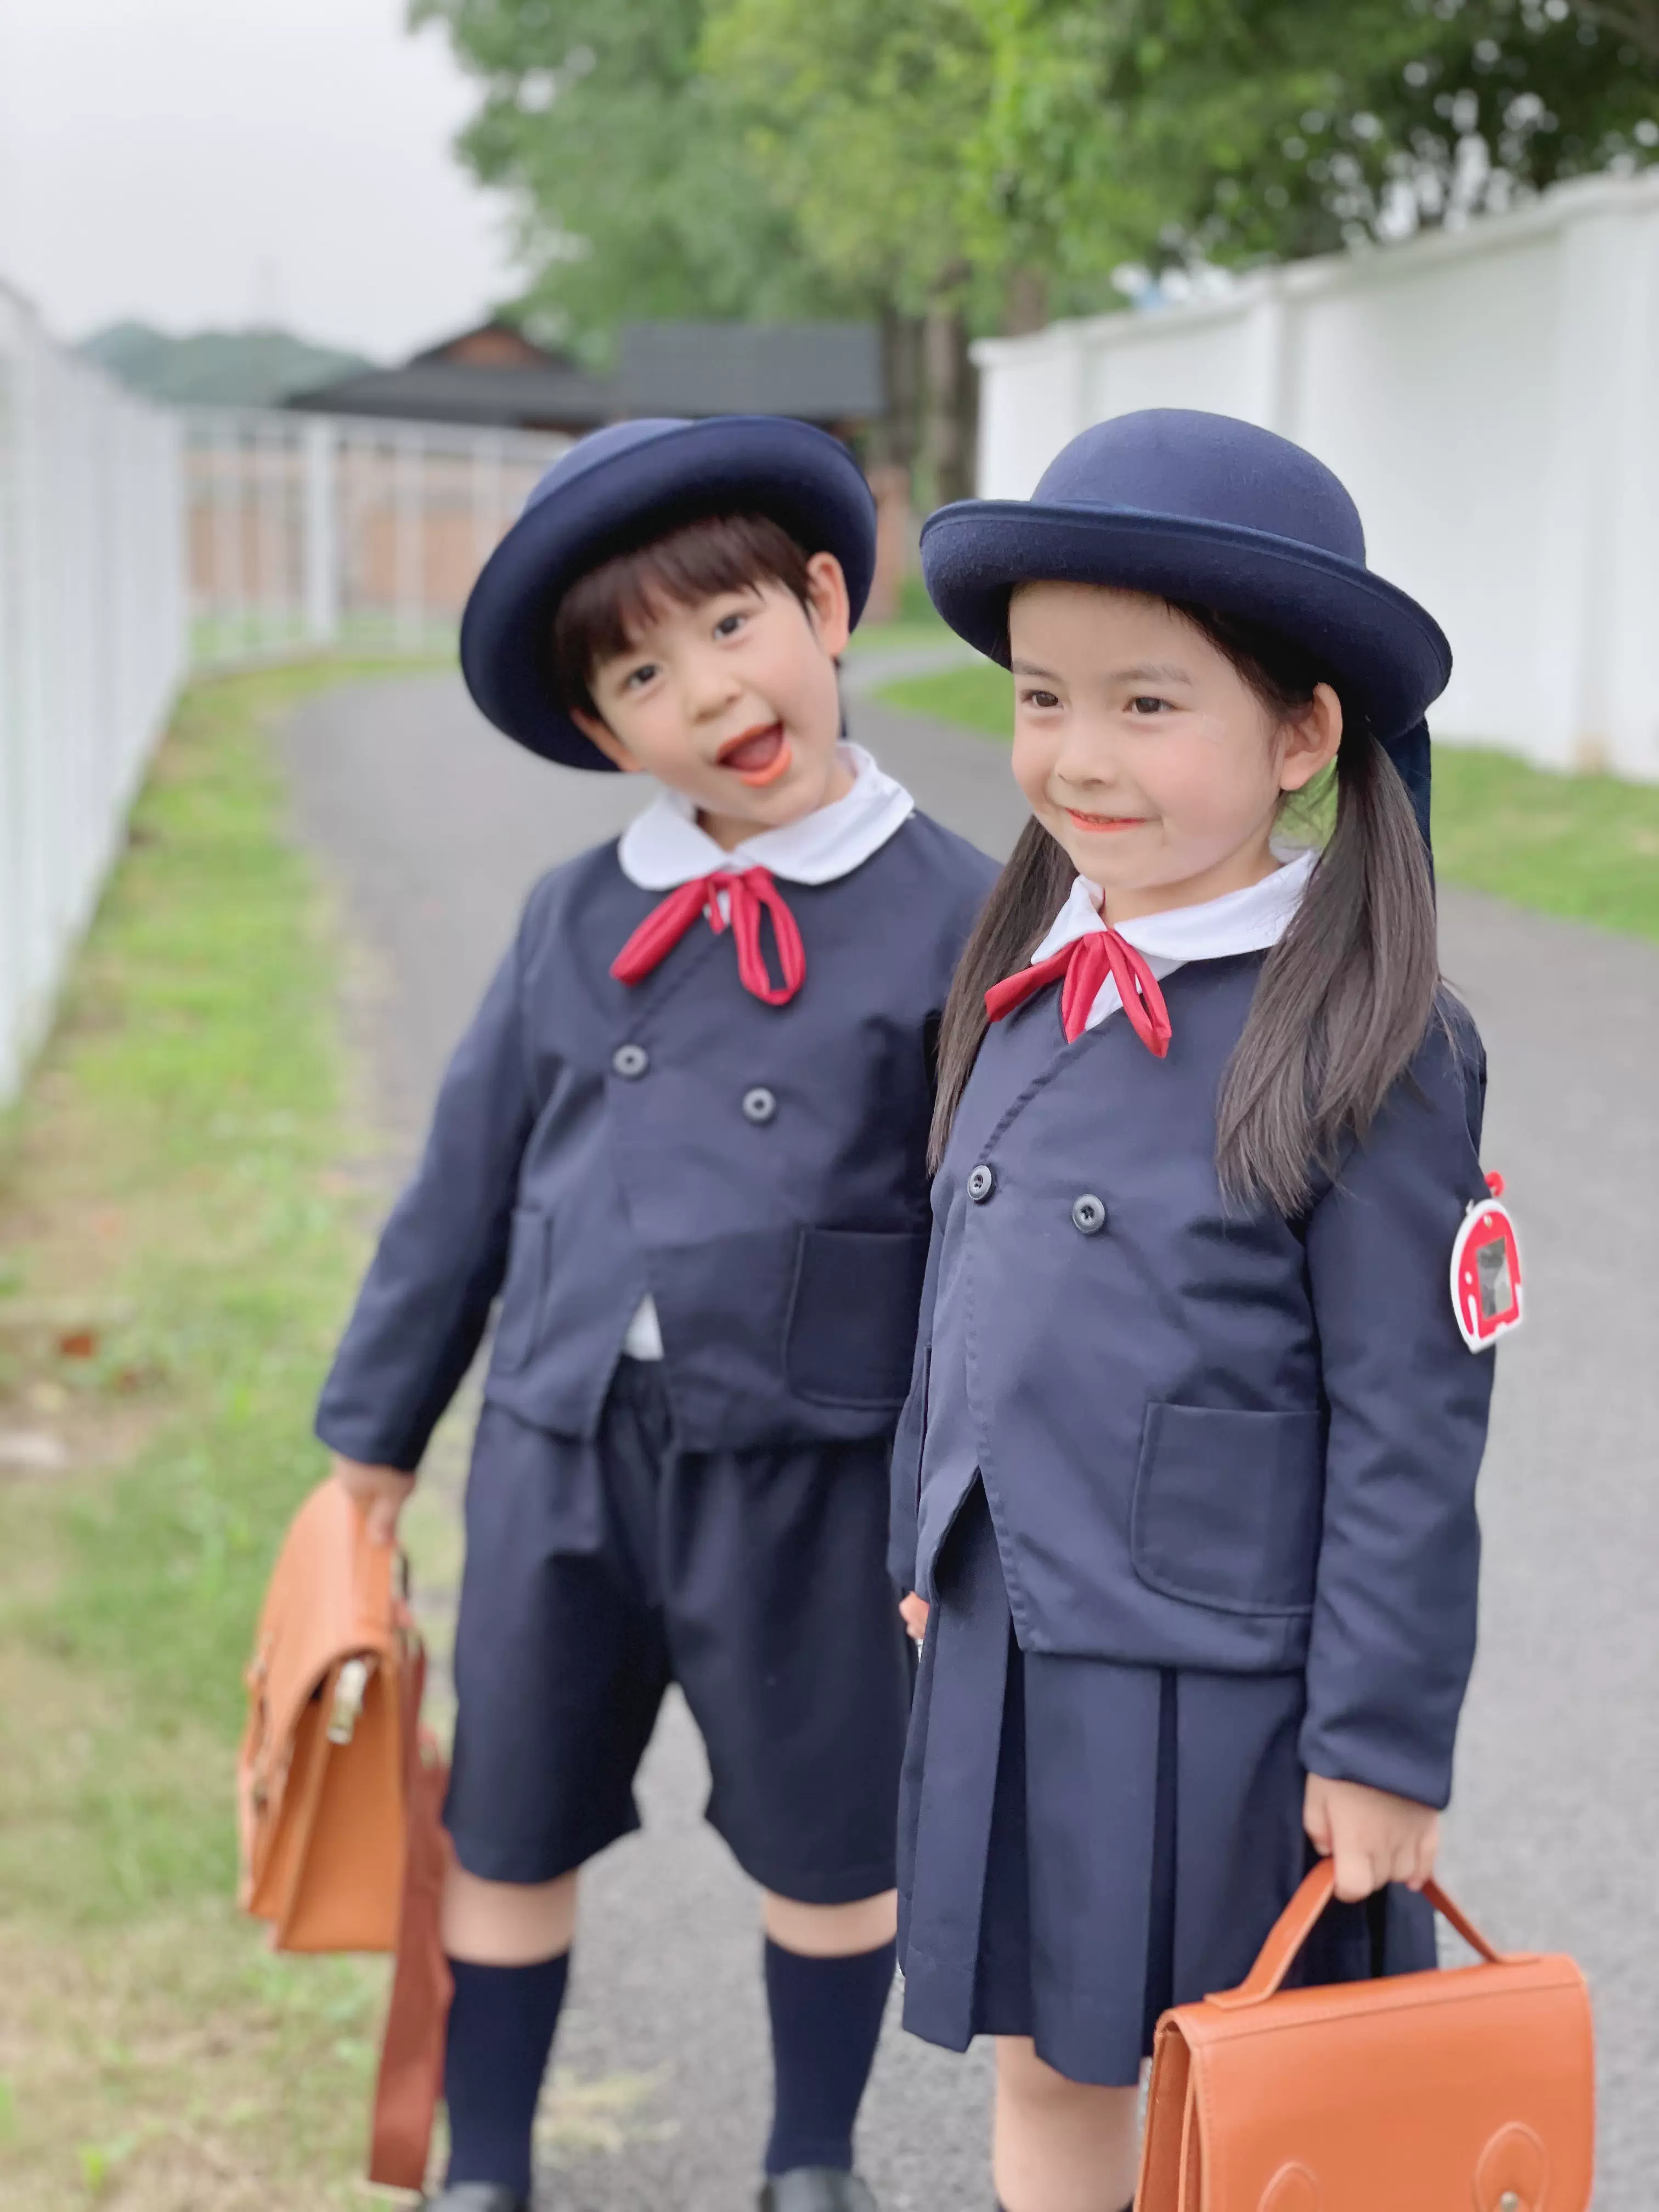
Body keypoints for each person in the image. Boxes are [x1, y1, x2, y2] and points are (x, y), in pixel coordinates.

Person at [315, 416, 996, 2212]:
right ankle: (487, 2166)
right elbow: (458, 1191)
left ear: (829, 603)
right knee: (508, 1817)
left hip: (816, 1456)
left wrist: (971, 1486)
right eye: (640, 670)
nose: (704, 690)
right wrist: (370, 1450)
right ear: (602, 733)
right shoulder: (570, 918)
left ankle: (810, 2159)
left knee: (829, 1836)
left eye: (731, 627)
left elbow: (998, 1232)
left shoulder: (968, 910)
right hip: (562, 1449)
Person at [887, 410, 1500, 2212]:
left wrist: (1380, 1745)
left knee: (1250, 2107)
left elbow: (1414, 1418)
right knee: (1052, 2062)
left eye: (1148, 706)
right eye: (1043, 698)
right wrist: (930, 1529)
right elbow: (960, 1274)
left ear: (1304, 731)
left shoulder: (1373, 1041)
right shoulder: (1022, 978)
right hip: (1020, 1640)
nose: (1079, 756)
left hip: (1230, 1691)